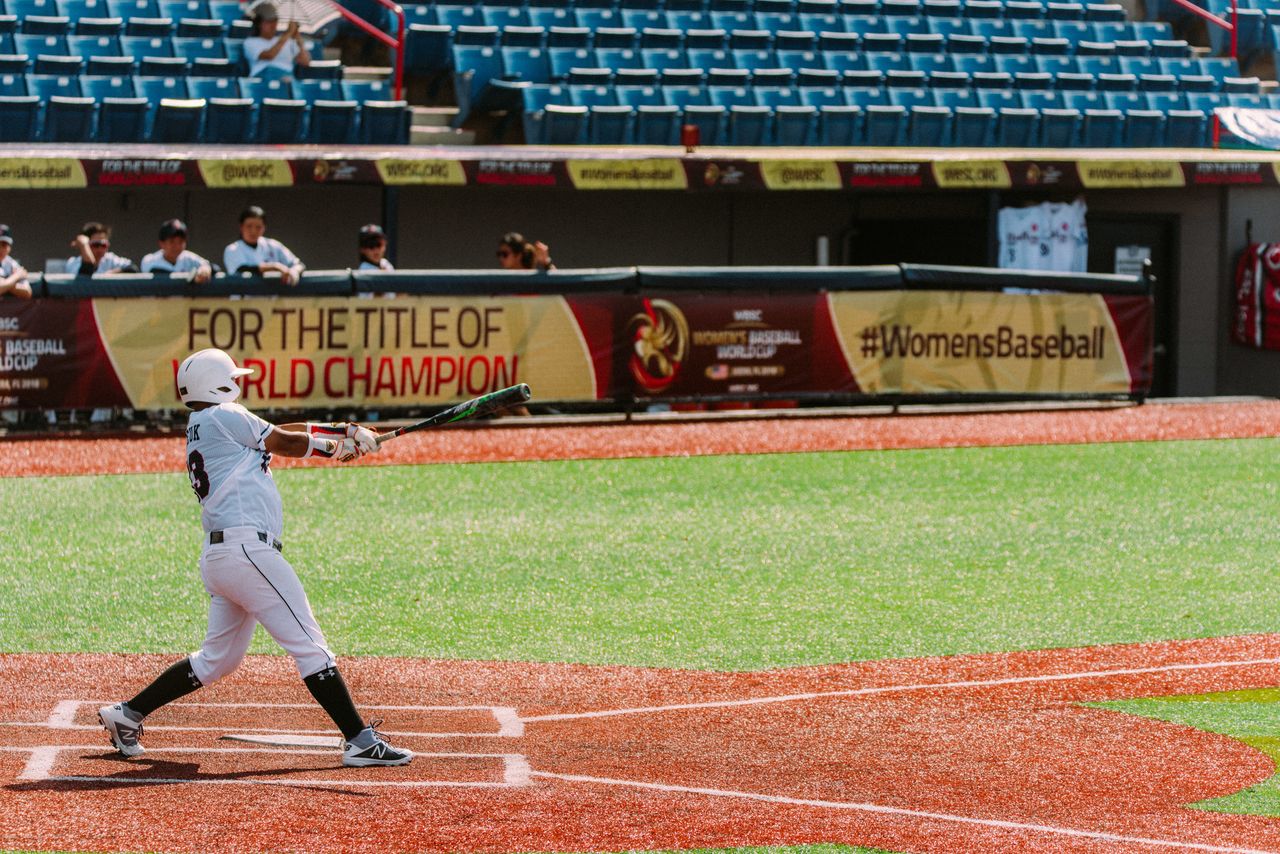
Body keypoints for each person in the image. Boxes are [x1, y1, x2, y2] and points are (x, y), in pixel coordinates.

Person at [97, 348, 413, 768]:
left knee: (218, 660)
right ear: (219, 383)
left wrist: (344, 430)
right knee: (310, 645)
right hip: (248, 552)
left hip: (223, 556)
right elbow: (283, 440)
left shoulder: (206, 422)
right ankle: (359, 740)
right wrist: (333, 448)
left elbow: (277, 429)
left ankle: (128, 713)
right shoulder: (224, 415)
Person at [223, 205, 305, 285]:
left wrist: (294, 271)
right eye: (249, 226)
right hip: (244, 296)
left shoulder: (273, 245)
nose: (253, 231)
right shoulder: (233, 249)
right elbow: (243, 269)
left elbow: (299, 264)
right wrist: (275, 267)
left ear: (264, 227)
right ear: (241, 227)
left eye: (258, 227)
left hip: (270, 297)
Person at [243, 2, 311, 82]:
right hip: (263, 79)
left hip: (288, 78)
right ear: (259, 23)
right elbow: (269, 55)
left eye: (275, 21)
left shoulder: (287, 41)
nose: (273, 25)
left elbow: (305, 62)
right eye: (268, 22)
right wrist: (288, 33)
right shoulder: (250, 42)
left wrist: (297, 37)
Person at [141, 219, 213, 283]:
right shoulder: (149, 260)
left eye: (181, 241)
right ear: (162, 243)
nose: (177, 246)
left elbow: (208, 266)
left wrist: (205, 270)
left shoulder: (189, 258)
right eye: (172, 242)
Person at [66, 222, 135, 276]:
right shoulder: (73, 262)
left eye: (103, 245)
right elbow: (87, 270)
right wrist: (83, 245)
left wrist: (113, 273)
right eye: (95, 245)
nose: (100, 249)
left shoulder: (110, 259)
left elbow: (133, 268)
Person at [0, 225, 32, 300]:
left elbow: (27, 292)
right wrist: (16, 277)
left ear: (10, 247)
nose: (0, 249)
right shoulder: (16, 274)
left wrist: (5, 283)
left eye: (4, 245)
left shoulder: (11, 263)